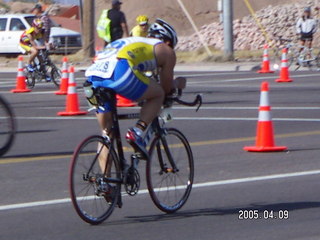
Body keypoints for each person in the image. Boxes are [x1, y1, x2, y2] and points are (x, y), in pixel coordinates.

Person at [85, 19, 185, 159]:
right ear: (168, 42)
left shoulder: (134, 42)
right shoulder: (166, 50)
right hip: (119, 70)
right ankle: (137, 132)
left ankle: (105, 180)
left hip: (92, 75)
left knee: (107, 133)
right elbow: (166, 87)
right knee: (158, 95)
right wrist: (178, 83)